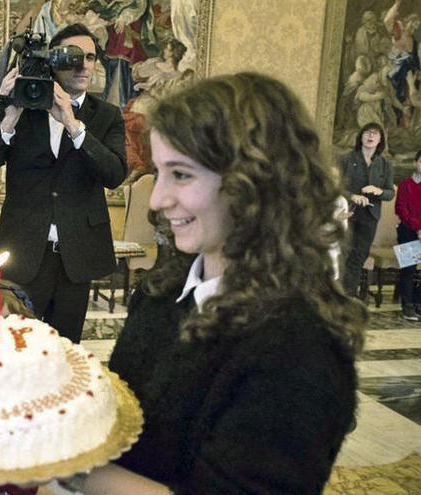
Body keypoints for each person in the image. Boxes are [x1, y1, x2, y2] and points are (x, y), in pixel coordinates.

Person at [77, 73, 366, 493]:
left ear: (252, 181)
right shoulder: (165, 290)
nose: (157, 200)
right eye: (159, 172)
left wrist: (72, 470)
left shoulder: (301, 347)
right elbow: (131, 415)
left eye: (180, 175)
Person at [0, 23, 127, 343]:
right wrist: (8, 117)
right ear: (54, 61)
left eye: (90, 57)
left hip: (77, 255)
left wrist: (73, 124)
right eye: (73, 56)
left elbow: (114, 175)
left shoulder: (107, 115)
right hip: (23, 251)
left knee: (65, 350)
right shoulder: (22, 107)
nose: (83, 65)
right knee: (14, 347)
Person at [339, 122, 395, 297]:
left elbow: (390, 193)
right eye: (367, 133)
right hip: (346, 213)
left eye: (375, 134)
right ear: (361, 137)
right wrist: (352, 196)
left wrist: (378, 191)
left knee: (359, 257)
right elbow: (336, 186)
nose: (371, 136)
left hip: (370, 216)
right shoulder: (346, 159)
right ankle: (337, 295)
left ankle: (348, 297)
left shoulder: (385, 164)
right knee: (343, 255)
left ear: (380, 140)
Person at [395, 149, 421, 320]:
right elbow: (401, 209)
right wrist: (418, 228)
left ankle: (418, 302)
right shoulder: (405, 185)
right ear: (415, 163)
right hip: (408, 231)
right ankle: (407, 305)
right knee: (409, 269)